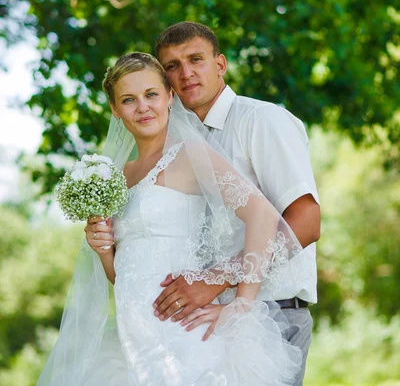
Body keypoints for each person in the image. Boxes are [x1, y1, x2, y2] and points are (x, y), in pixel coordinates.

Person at [39, 52, 306, 385]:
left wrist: (242, 304)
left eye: (151, 94)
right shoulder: (117, 177)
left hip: (184, 335)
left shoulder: (190, 155)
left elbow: (263, 215)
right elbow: (124, 275)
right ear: (115, 109)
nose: (143, 107)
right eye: (128, 99)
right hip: (133, 341)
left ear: (169, 96)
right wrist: (105, 250)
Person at [151, 22, 321, 386]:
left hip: (271, 315)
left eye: (196, 59)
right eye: (172, 66)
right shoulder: (173, 142)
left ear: (220, 64)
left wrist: (217, 278)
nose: (186, 73)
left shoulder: (262, 120)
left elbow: (306, 221)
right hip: (199, 325)